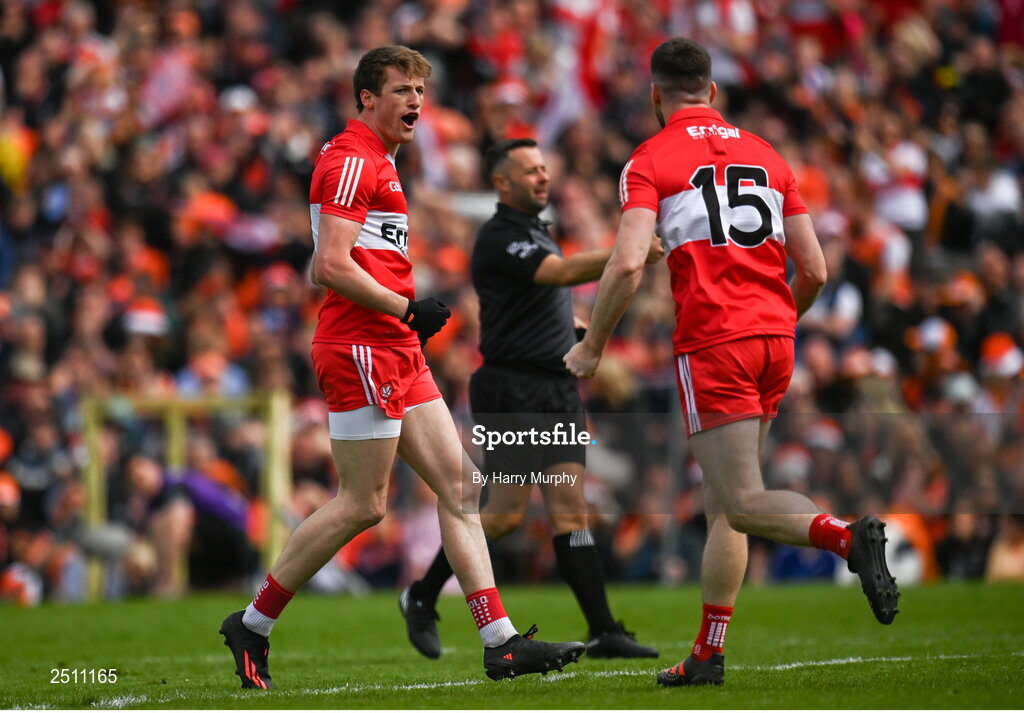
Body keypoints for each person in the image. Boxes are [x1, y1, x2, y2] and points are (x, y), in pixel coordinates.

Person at [218, 46, 585, 689]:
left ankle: (499, 642)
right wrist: (405, 307)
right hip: (361, 344)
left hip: (393, 344)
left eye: (421, 88)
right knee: (364, 504)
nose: (416, 100)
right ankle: (253, 622)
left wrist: (403, 317)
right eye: (401, 89)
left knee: (462, 488)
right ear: (366, 97)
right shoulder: (351, 159)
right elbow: (327, 265)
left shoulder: (379, 158)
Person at [563, 38, 900, 687]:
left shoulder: (651, 158)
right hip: (775, 334)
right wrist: (776, 321)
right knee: (725, 500)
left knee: (741, 501)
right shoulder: (768, 154)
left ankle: (846, 536)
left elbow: (629, 260)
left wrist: (593, 345)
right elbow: (816, 269)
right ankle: (709, 652)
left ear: (657, 96)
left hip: (715, 338)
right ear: (712, 92)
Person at [398, 138, 662, 660]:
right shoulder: (499, 235)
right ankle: (422, 596)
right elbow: (559, 275)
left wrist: (569, 325)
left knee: (570, 510)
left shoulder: (538, 230)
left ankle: (605, 630)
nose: (543, 177)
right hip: (512, 390)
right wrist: (625, 254)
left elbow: (539, 301)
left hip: (556, 388)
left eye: (545, 168)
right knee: (504, 515)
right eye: (531, 171)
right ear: (502, 182)